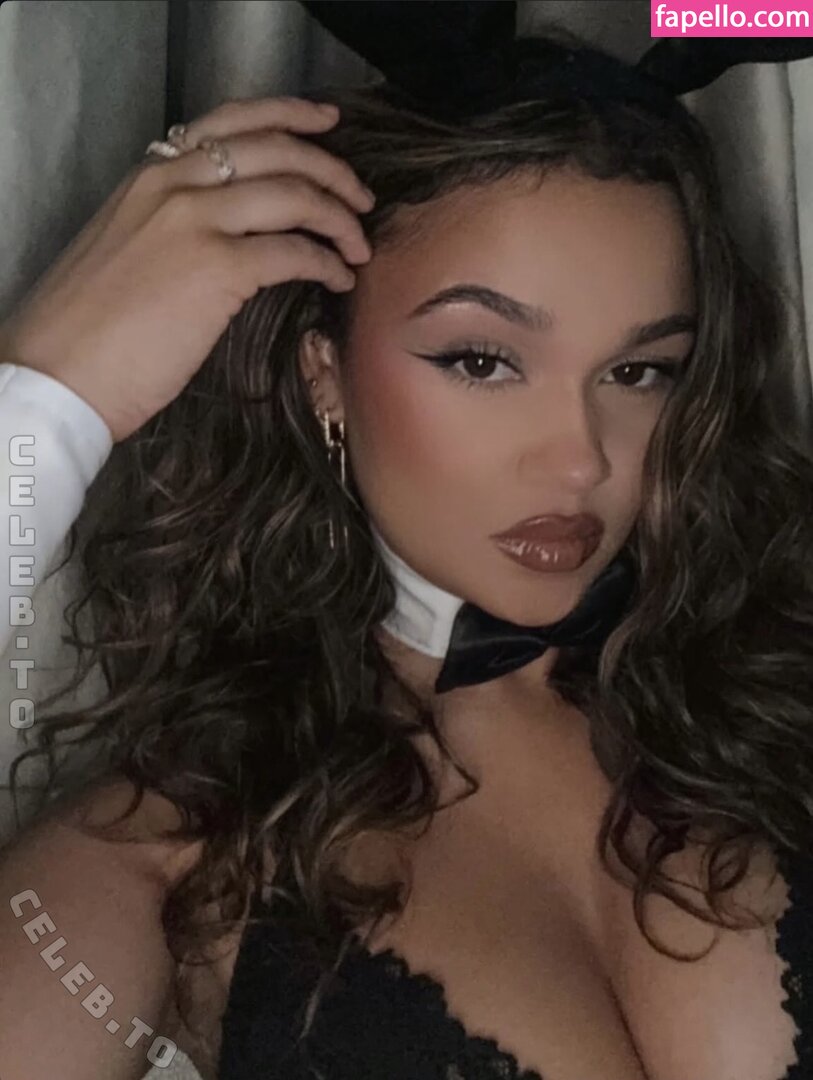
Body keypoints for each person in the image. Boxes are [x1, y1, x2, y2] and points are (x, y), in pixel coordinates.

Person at [1, 18, 813, 1080]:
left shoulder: (782, 704)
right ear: (323, 373)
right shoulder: (167, 868)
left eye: (638, 372)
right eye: (481, 361)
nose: (580, 460)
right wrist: (46, 406)